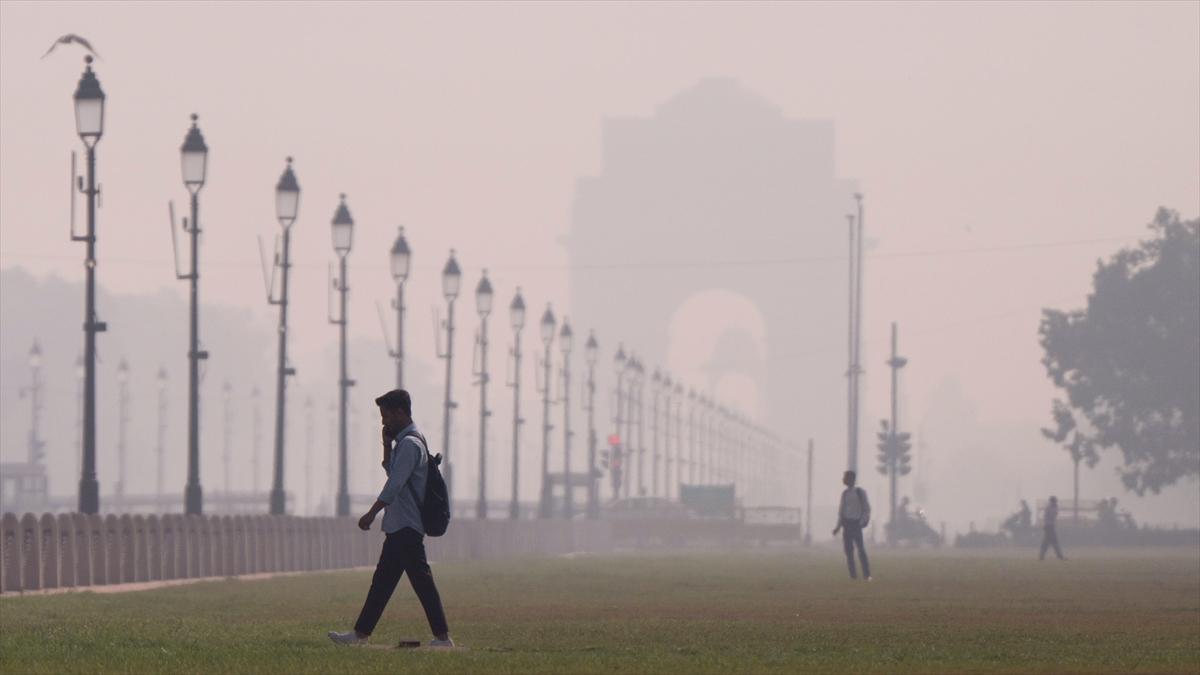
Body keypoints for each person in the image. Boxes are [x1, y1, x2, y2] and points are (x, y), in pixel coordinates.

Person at [328, 389, 453, 647]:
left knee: (421, 583)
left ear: (399, 412)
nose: (384, 422)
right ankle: (360, 634)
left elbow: (394, 485)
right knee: (383, 583)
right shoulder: (405, 443)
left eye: (386, 416)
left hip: (407, 525)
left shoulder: (410, 444)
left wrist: (371, 513)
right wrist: (386, 445)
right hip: (399, 526)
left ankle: (443, 638)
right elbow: (392, 472)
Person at [832, 470, 871, 581]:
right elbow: (841, 512)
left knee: (860, 550)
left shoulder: (860, 492)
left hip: (856, 524)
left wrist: (862, 521)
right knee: (848, 551)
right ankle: (853, 575)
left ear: (851, 479)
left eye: (845, 477)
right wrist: (838, 527)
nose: (843, 479)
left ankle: (867, 574)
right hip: (847, 524)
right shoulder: (844, 494)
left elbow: (866, 508)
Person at [1039, 495, 1066, 561]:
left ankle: (1042, 556)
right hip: (1049, 526)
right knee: (1053, 542)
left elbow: (1054, 515)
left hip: (1050, 526)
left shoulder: (1052, 507)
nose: (1055, 503)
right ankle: (1060, 556)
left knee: (1047, 542)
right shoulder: (1049, 508)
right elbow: (1052, 516)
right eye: (1054, 501)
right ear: (1052, 501)